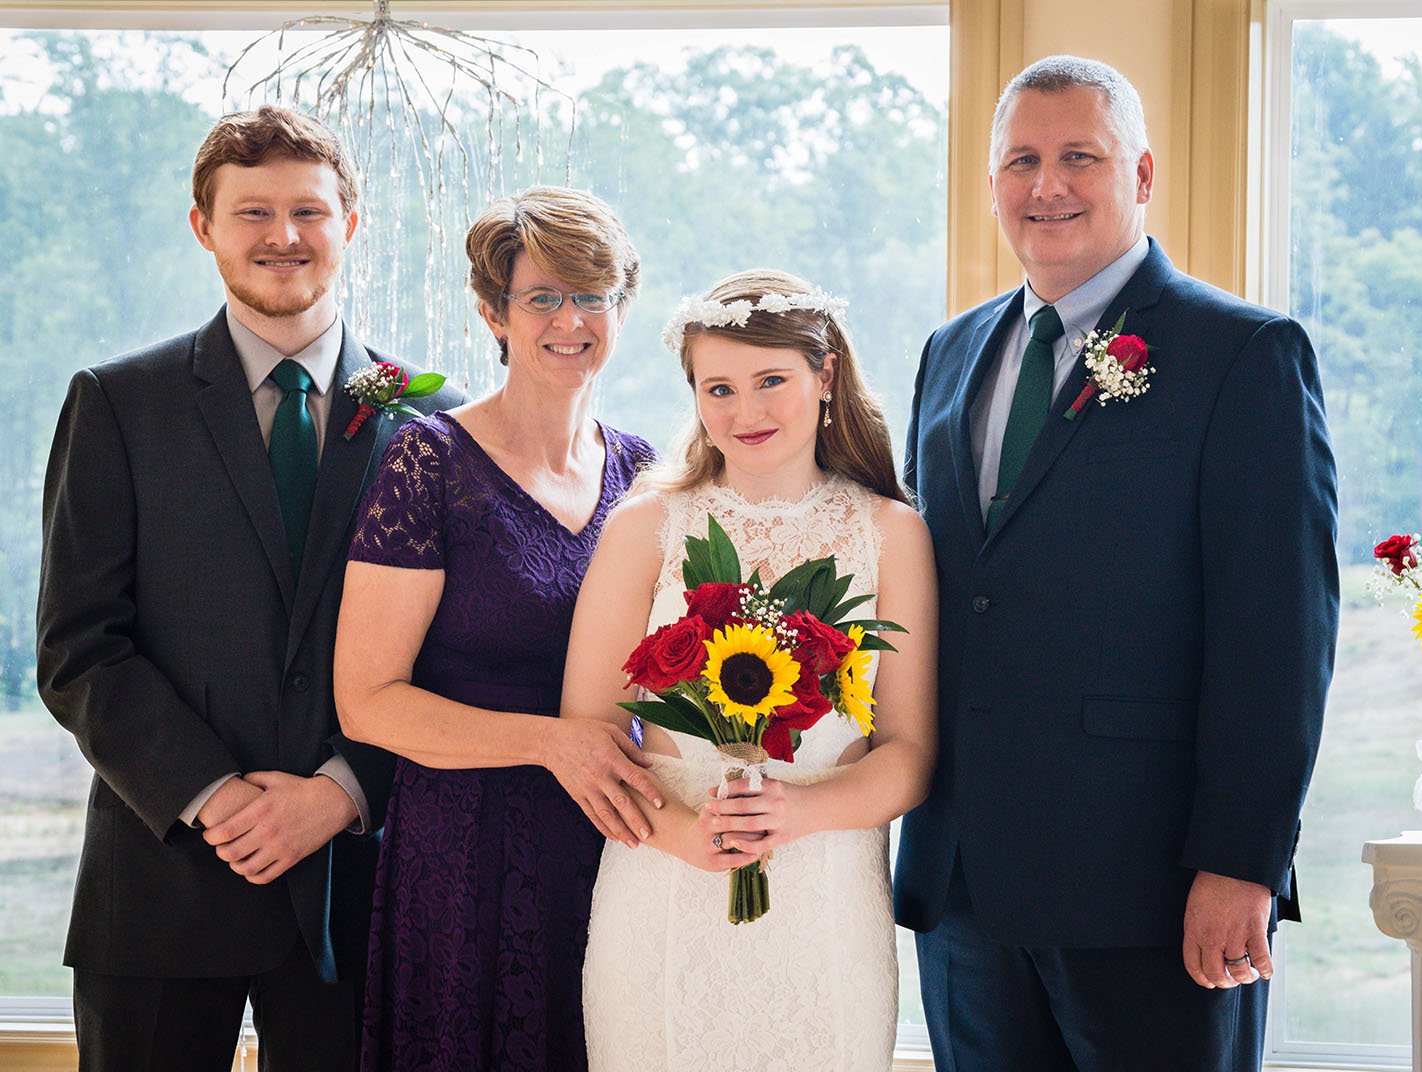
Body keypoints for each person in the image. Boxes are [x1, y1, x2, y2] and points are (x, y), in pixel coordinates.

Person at [894, 55, 1338, 1071]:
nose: (1046, 185)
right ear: (994, 182)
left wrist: (1242, 863)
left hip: (1153, 887)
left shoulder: (1244, 354)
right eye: (1022, 160)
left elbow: (1279, 636)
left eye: (1078, 157)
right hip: (962, 883)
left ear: (1140, 175)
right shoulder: (949, 351)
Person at [35, 105, 461, 1071]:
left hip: (360, 893)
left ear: (350, 225)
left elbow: (457, 653)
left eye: (308, 211)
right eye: (253, 212)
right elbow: (78, 645)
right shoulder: (117, 404)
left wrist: (344, 793)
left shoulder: (436, 418)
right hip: (161, 885)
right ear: (204, 226)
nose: (283, 237)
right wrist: (215, 796)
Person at [562, 269, 939, 1071]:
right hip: (660, 884)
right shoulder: (646, 526)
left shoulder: (891, 533)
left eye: (772, 380)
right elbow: (589, 733)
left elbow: (907, 755)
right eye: (718, 388)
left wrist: (798, 816)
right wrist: (680, 835)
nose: (746, 411)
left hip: (826, 900)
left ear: (825, 373)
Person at [333, 185, 659, 1071]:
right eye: (543, 296)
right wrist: (554, 745)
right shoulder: (427, 461)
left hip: (617, 842)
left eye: (593, 294)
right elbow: (367, 703)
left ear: (621, 308)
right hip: (465, 850)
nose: (571, 319)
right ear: (493, 312)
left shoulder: (647, 472)